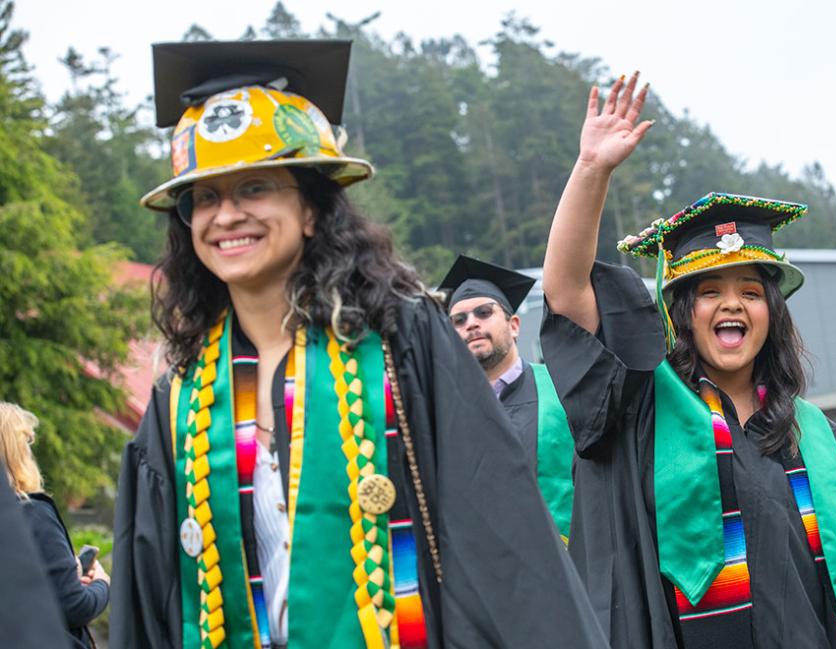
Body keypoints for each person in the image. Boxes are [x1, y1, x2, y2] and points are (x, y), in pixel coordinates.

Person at [110, 40, 605, 649]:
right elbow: (153, 598)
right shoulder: (180, 398)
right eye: (203, 198)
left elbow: (500, 542)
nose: (227, 215)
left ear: (313, 209)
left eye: (255, 187)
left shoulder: (402, 344)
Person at [539, 72, 836, 648]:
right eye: (709, 291)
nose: (732, 304)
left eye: (752, 291)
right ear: (680, 311)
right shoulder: (640, 415)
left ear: (773, 312)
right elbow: (569, 294)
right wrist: (592, 171)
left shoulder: (824, 443)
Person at [439, 256, 575, 539]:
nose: (472, 324)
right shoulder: (443, 411)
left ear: (514, 325)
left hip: (571, 563)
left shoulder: (561, 386)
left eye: (484, 312)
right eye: (459, 320)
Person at [0, 402, 109, 648]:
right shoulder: (33, 513)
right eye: (27, 442)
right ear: (18, 451)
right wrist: (102, 584)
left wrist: (66, 577)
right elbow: (74, 607)